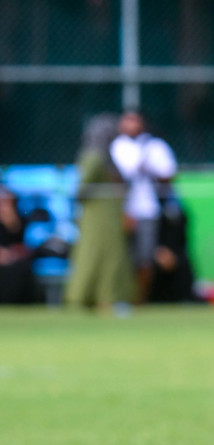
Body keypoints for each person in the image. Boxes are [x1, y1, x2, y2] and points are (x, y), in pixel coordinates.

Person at [66, 116, 134, 312]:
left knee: (111, 256)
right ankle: (89, 296)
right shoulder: (94, 156)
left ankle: (106, 297)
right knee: (96, 255)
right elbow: (82, 186)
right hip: (97, 217)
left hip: (107, 215)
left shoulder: (103, 155)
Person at [108, 110, 178, 305]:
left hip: (147, 208)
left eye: (134, 121)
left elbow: (168, 174)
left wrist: (148, 169)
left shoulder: (154, 146)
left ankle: (140, 300)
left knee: (145, 258)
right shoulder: (116, 146)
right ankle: (119, 297)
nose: (130, 125)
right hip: (122, 209)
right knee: (121, 257)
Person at [0, 186, 37, 305]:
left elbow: (21, 242)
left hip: (12, 258)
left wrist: (10, 221)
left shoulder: (20, 220)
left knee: (22, 267)